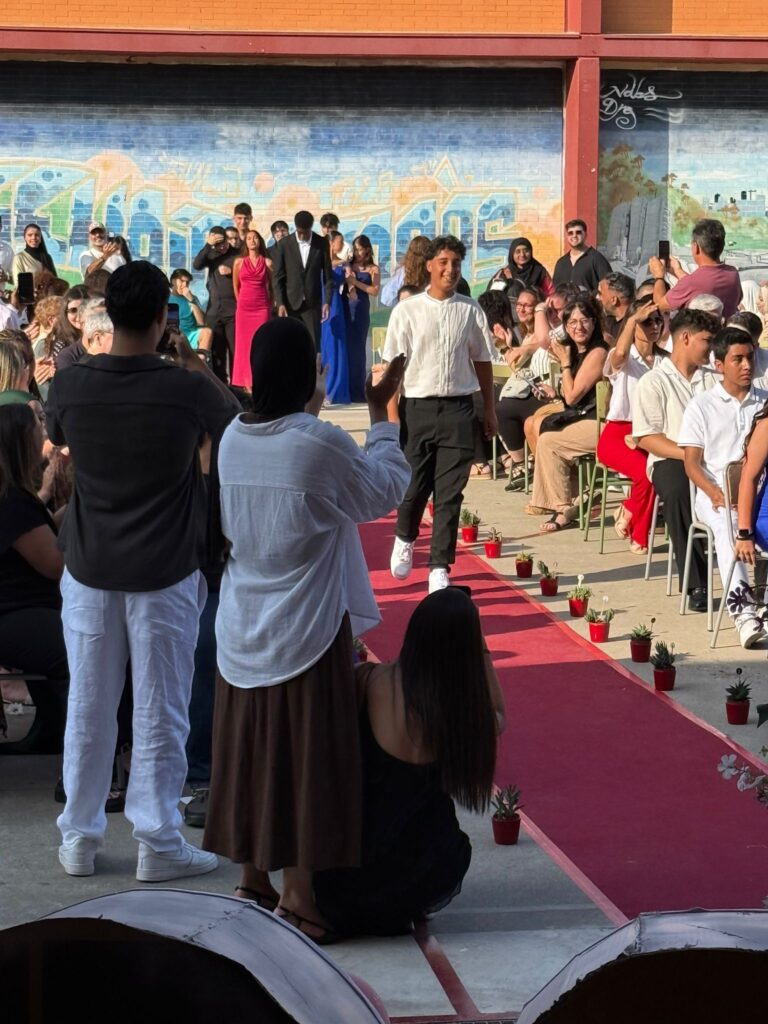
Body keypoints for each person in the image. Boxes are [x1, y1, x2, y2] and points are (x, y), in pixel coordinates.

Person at [202, 318, 410, 943]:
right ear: (305, 374)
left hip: (244, 619)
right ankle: (298, 895)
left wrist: (312, 408)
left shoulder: (234, 435)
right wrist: (382, 416)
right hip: (304, 625)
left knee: (250, 754)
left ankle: (252, 880)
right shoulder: (318, 442)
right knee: (305, 759)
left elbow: (290, 447)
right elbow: (384, 489)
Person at [46, 260, 239, 880]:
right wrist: (193, 363)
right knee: (162, 708)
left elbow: (57, 435)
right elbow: (234, 419)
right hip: (165, 569)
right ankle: (156, 840)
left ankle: (79, 837)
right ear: (163, 318)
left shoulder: (70, 385)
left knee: (89, 704)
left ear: (108, 314)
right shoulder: (184, 389)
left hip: (90, 564)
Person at [313, 588, 505, 938]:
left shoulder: (367, 680)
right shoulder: (457, 713)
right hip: (411, 884)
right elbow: (499, 716)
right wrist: (481, 649)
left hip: (343, 879)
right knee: (454, 844)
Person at [385, 235, 496, 593]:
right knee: (414, 485)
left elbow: (482, 360)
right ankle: (405, 536)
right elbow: (392, 368)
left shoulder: (470, 310)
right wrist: (391, 416)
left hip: (459, 409)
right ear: (430, 265)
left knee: (450, 493)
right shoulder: (407, 311)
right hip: (417, 408)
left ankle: (439, 566)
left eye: (456, 264)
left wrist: (489, 409)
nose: (450, 270)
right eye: (444, 263)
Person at [678, 327, 767, 647]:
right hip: (716, 494)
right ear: (719, 365)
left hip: (760, 493)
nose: (747, 365)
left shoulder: (765, 402)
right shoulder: (701, 406)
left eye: (750, 358)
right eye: (737, 359)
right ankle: (743, 613)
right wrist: (715, 493)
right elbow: (691, 463)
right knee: (729, 525)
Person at [632, 308, 719, 611]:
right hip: (671, 457)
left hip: (715, 458)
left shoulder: (715, 380)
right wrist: (690, 455)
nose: (712, 348)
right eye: (707, 341)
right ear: (685, 338)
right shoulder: (654, 381)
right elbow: (646, 437)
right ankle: (696, 583)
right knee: (680, 490)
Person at [0, 404, 68, 755]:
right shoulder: (11, 502)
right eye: (37, 427)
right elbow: (54, 564)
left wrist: (79, 505)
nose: (44, 434)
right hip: (15, 616)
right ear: (20, 443)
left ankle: (51, 728)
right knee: (83, 647)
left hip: (21, 611)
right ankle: (90, 745)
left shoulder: (16, 496)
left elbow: (41, 532)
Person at [530, 296, 609, 532]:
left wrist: (565, 363)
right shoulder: (577, 351)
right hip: (584, 416)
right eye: (572, 322)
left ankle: (563, 508)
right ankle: (573, 499)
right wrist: (554, 393)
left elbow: (574, 397)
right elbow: (570, 396)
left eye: (584, 320)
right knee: (541, 425)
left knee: (549, 442)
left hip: (601, 423)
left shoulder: (598, 352)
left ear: (594, 322)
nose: (578, 327)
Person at [597, 297, 668, 553]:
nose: (654, 326)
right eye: (647, 321)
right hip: (618, 432)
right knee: (644, 473)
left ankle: (630, 515)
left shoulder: (666, 361)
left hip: (651, 432)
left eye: (657, 321)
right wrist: (632, 320)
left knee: (657, 471)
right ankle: (638, 533)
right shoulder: (625, 358)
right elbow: (620, 355)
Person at [650, 219, 742, 319]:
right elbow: (700, 285)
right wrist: (677, 271)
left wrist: (659, 276)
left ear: (696, 247)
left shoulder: (690, 283)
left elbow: (658, 308)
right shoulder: (733, 274)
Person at [271, 210, 333, 352]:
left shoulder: (321, 243)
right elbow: (278, 277)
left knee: (312, 345)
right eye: (300, 232)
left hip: (312, 304)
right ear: (296, 228)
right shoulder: (284, 244)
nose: (302, 235)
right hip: (290, 304)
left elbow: (328, 276)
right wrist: (280, 303)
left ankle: (311, 367)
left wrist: (327, 302)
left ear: (311, 228)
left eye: (305, 232)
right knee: (290, 345)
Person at [193, 226, 238, 381]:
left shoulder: (237, 255)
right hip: (214, 311)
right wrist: (208, 245)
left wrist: (233, 272)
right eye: (218, 245)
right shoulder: (211, 254)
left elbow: (247, 274)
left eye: (223, 243)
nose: (222, 247)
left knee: (235, 351)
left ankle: (236, 386)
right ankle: (221, 384)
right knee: (217, 353)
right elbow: (197, 265)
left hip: (233, 311)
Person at [232, 229, 273, 389]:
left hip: (262, 307)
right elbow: (236, 286)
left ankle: (261, 380)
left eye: (255, 237)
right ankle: (246, 383)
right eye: (249, 238)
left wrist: (270, 304)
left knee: (262, 343)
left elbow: (272, 287)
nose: (252, 240)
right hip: (244, 309)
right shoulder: (239, 262)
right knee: (244, 345)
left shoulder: (267, 262)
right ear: (246, 242)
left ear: (260, 241)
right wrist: (241, 302)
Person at [345, 234, 380, 403]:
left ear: (367, 250)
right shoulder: (349, 265)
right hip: (347, 309)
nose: (357, 253)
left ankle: (358, 391)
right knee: (346, 350)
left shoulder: (373, 268)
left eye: (360, 249)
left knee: (358, 350)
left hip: (361, 310)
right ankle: (345, 389)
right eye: (355, 249)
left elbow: (374, 291)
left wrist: (355, 282)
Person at [320, 231, 351, 405]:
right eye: (340, 241)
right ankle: (323, 389)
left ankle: (336, 389)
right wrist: (342, 262)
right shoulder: (322, 260)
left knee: (337, 346)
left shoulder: (343, 262)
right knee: (325, 346)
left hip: (336, 304)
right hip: (323, 301)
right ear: (331, 243)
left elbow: (347, 279)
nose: (342, 245)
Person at [485, 237, 553, 300]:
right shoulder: (504, 273)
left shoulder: (540, 272)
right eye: (518, 252)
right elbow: (492, 298)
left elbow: (551, 294)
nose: (522, 255)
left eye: (526, 251)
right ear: (512, 254)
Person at [552, 220, 612, 292]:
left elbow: (609, 286)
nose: (574, 236)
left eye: (578, 232)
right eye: (570, 233)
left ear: (585, 235)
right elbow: (554, 289)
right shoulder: (561, 262)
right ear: (567, 236)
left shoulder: (597, 259)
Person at [169, 269, 214, 354]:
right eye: (182, 281)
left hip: (191, 335)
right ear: (173, 281)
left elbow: (201, 322)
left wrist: (192, 301)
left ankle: (201, 360)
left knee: (207, 332)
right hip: (173, 334)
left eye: (187, 282)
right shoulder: (165, 298)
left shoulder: (192, 298)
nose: (184, 285)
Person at [596, 272, 635, 343]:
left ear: (614, 300)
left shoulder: (638, 325)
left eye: (600, 293)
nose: (597, 297)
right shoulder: (606, 323)